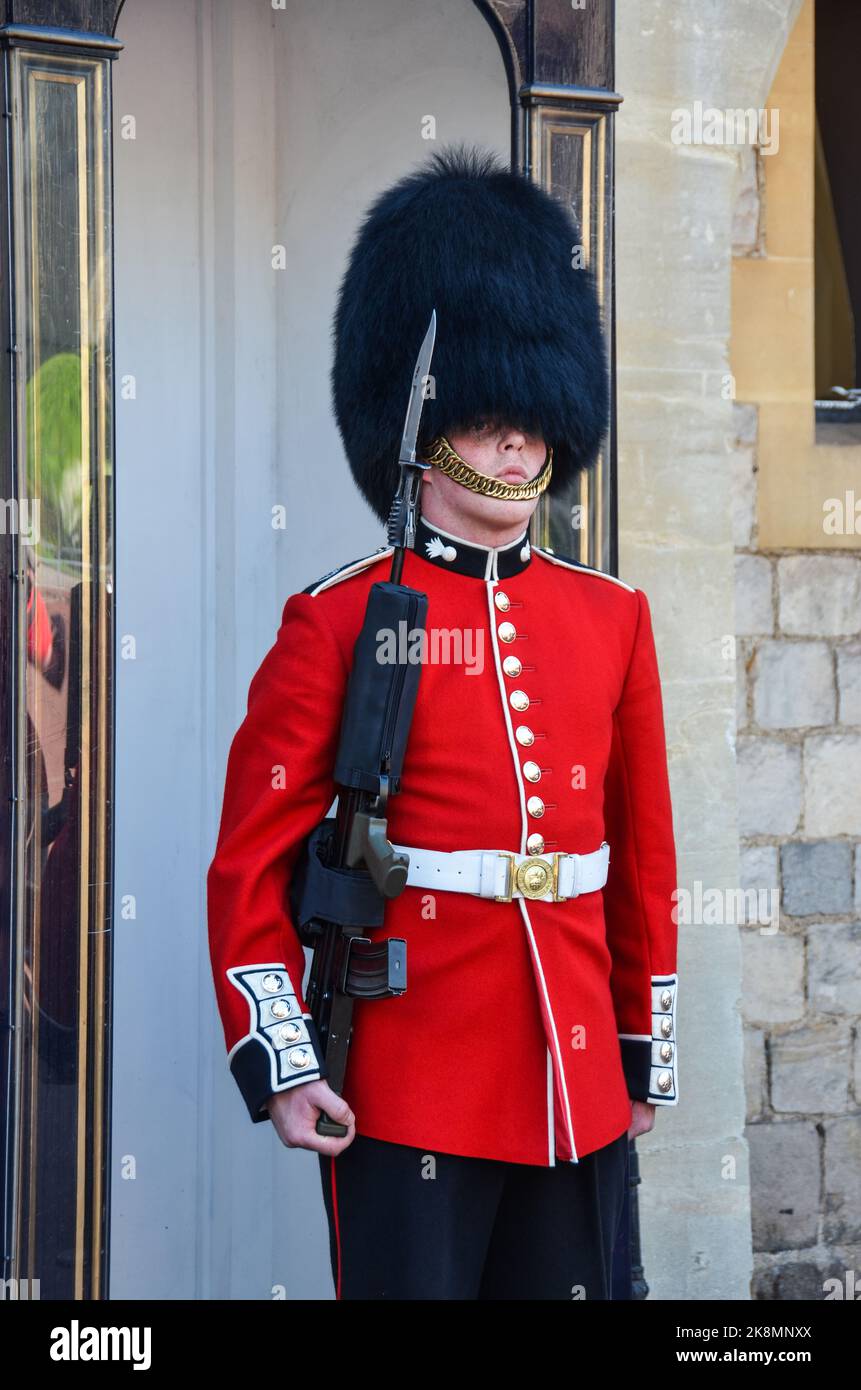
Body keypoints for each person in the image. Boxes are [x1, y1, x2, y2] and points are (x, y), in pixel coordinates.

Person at [206, 145, 679, 1300]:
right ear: (420, 418)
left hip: (574, 1073)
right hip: (411, 1076)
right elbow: (248, 869)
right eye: (485, 413)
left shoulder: (611, 617)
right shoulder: (337, 620)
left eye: (535, 415)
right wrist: (280, 1058)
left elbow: (643, 863)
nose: (519, 439)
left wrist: (638, 1046)